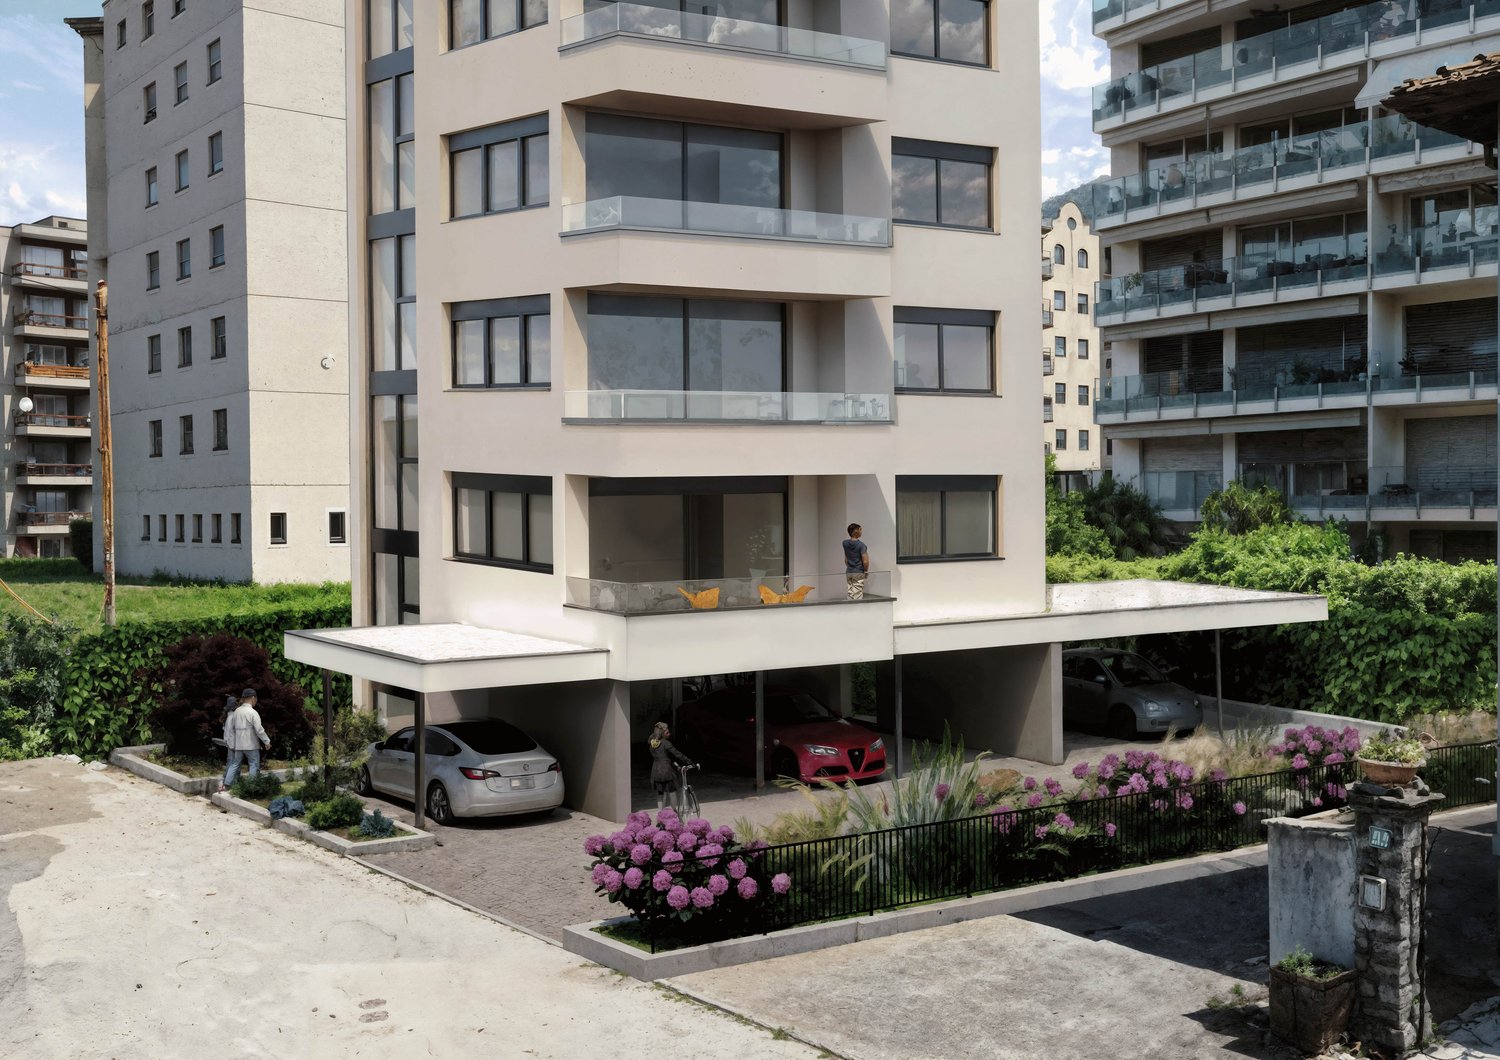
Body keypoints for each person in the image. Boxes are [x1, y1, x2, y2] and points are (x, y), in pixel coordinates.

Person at [220, 687, 270, 792]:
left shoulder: (237, 711)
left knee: (235, 763)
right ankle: (251, 788)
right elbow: (259, 730)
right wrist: (266, 741)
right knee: (253, 764)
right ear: (252, 698)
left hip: (238, 745)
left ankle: (227, 784)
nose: (256, 700)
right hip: (251, 745)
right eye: (256, 698)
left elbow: (232, 728)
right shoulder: (252, 712)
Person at [648, 721, 694, 813]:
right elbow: (677, 754)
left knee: (660, 793)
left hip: (656, 771)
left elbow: (664, 757)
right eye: (667, 732)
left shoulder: (652, 743)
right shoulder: (666, 743)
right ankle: (674, 812)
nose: (669, 734)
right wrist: (689, 761)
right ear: (662, 733)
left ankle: (660, 814)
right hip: (666, 771)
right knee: (672, 791)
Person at [842, 522, 869, 600]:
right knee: (857, 595)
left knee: (850, 593)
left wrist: (850, 566)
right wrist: (866, 570)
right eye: (860, 529)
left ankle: (849, 611)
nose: (861, 531)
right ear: (856, 531)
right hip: (858, 571)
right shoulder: (861, 545)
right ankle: (857, 611)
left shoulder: (845, 543)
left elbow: (846, 559)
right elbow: (865, 561)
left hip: (849, 571)